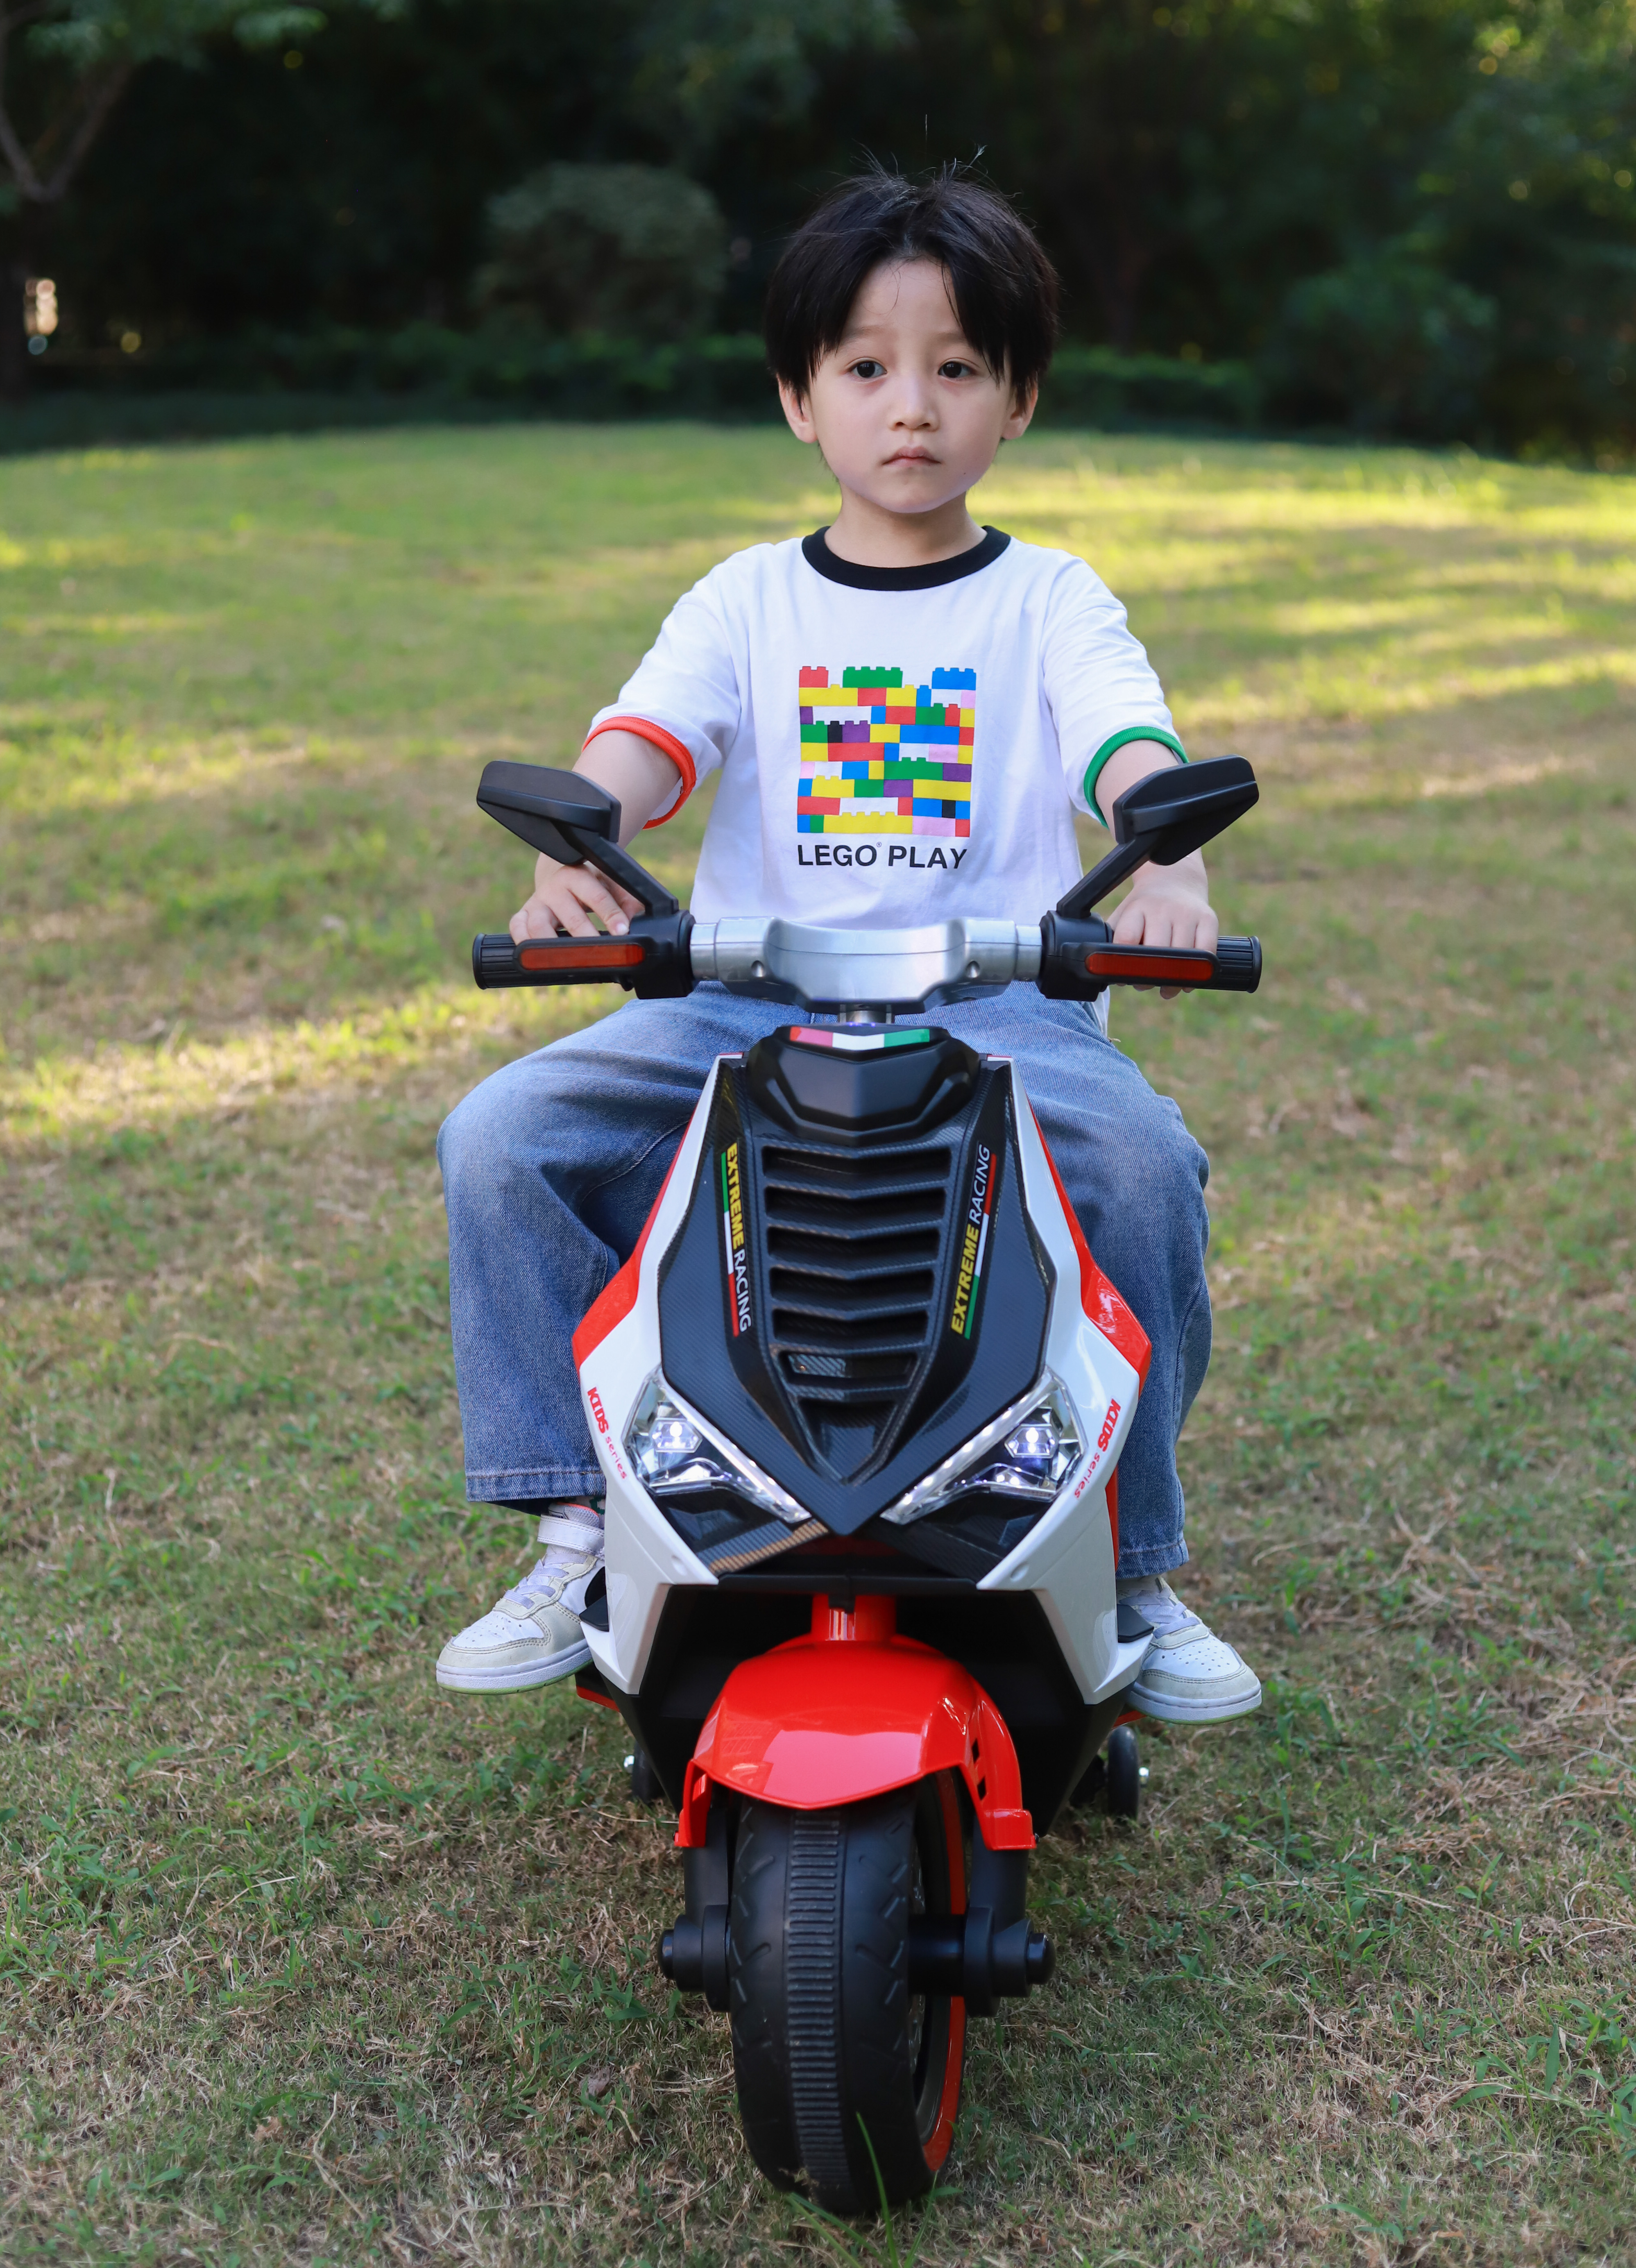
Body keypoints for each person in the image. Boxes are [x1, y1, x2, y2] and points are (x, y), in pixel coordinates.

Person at [433, 168, 1260, 1726]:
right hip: (749, 1000)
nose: (913, 407)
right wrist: (580, 840)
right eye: (867, 368)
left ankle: (1135, 1558)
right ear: (797, 398)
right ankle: (579, 1523)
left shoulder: (1048, 600)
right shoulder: (748, 601)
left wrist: (1170, 855)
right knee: (503, 1136)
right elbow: (646, 747)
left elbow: (1127, 745)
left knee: (1143, 1169)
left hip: (1001, 1007)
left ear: (1019, 399)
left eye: (959, 367)